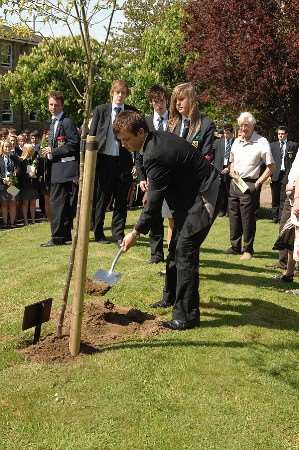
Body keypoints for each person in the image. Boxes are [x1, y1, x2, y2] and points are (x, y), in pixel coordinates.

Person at [113, 111, 223, 330]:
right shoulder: (150, 143)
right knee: (175, 247)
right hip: (187, 198)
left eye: (126, 139)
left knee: (185, 251)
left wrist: (135, 232)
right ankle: (170, 297)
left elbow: (153, 201)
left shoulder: (156, 152)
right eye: (121, 140)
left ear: (141, 132)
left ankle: (186, 316)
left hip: (206, 193)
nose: (123, 144)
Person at [89, 80, 137, 246]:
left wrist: (137, 163)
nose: (120, 96)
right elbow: (91, 136)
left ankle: (118, 234)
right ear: (112, 93)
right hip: (104, 161)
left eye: (123, 93)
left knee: (121, 200)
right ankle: (98, 231)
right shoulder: (101, 111)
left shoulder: (131, 112)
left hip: (124, 162)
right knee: (101, 198)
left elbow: (139, 139)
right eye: (117, 92)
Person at [226, 112, 275, 260]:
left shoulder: (262, 142)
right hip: (235, 182)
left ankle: (248, 249)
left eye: (245, 125)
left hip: (249, 184)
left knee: (247, 218)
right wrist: (232, 168)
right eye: (240, 125)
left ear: (253, 125)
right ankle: (235, 246)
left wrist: (258, 183)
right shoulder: (236, 141)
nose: (242, 128)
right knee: (233, 216)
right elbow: (232, 160)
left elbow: (271, 167)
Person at [40, 91, 80, 246]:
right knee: (61, 204)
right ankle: (65, 236)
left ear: (62, 105)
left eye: (56, 105)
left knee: (58, 204)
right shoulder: (51, 123)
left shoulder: (67, 122)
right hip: (55, 168)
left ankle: (57, 237)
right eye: (51, 104)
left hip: (65, 169)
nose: (53, 107)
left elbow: (73, 144)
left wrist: (53, 151)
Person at [135, 85, 169, 263]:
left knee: (173, 214)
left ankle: (175, 252)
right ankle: (156, 253)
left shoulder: (175, 121)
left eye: (162, 100)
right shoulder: (145, 123)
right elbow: (138, 153)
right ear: (151, 103)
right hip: (151, 176)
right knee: (153, 212)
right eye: (156, 101)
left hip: (172, 175)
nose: (159, 105)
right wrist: (141, 177)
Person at [270, 126, 298, 223]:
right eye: (279, 134)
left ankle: (281, 218)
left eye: (282, 134)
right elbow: (269, 162)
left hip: (286, 174)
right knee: (275, 196)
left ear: (286, 134)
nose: (280, 135)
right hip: (275, 174)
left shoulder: (293, 145)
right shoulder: (272, 146)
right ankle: (274, 216)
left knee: (283, 196)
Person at [213, 124, 235, 216]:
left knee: (230, 191)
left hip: (231, 168)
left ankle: (229, 211)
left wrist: (229, 167)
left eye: (228, 133)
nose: (226, 135)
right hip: (219, 169)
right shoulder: (218, 142)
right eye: (225, 133)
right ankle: (222, 210)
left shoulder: (236, 142)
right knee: (220, 191)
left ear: (232, 133)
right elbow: (211, 154)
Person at [0, 140, 20, 228]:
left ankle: (12, 223)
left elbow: (18, 168)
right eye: (5, 147)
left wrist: (16, 173)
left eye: (9, 146)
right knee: (4, 204)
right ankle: (5, 223)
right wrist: (2, 179)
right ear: (2, 148)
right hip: (3, 184)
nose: (7, 148)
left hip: (13, 184)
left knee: (13, 203)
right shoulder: (0, 158)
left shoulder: (14, 157)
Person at [18, 143, 39, 225]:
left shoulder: (35, 159)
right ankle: (26, 220)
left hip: (33, 184)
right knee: (25, 203)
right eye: (31, 149)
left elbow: (38, 170)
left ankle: (33, 220)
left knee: (33, 203)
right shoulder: (21, 160)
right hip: (25, 185)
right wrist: (28, 175)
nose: (33, 150)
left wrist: (36, 174)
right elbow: (20, 174)